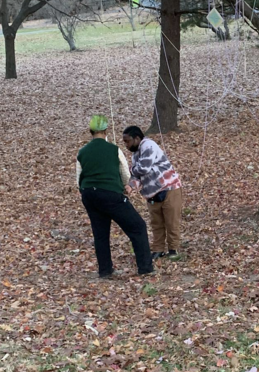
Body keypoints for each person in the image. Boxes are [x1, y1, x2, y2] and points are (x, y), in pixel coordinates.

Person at [77, 115, 153, 278]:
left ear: (90, 131)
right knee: (137, 226)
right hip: (110, 194)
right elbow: (125, 172)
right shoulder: (113, 149)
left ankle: (105, 270)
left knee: (100, 233)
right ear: (105, 130)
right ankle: (145, 268)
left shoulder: (82, 152)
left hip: (89, 195)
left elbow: (79, 177)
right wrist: (127, 187)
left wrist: (85, 190)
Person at [123, 126, 183, 260]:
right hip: (151, 193)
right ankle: (158, 249)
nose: (126, 145)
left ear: (137, 138)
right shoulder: (135, 155)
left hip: (169, 188)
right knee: (156, 223)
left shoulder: (148, 145)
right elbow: (137, 176)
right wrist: (131, 186)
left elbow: (144, 168)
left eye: (127, 141)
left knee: (171, 222)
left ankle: (173, 249)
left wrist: (130, 171)